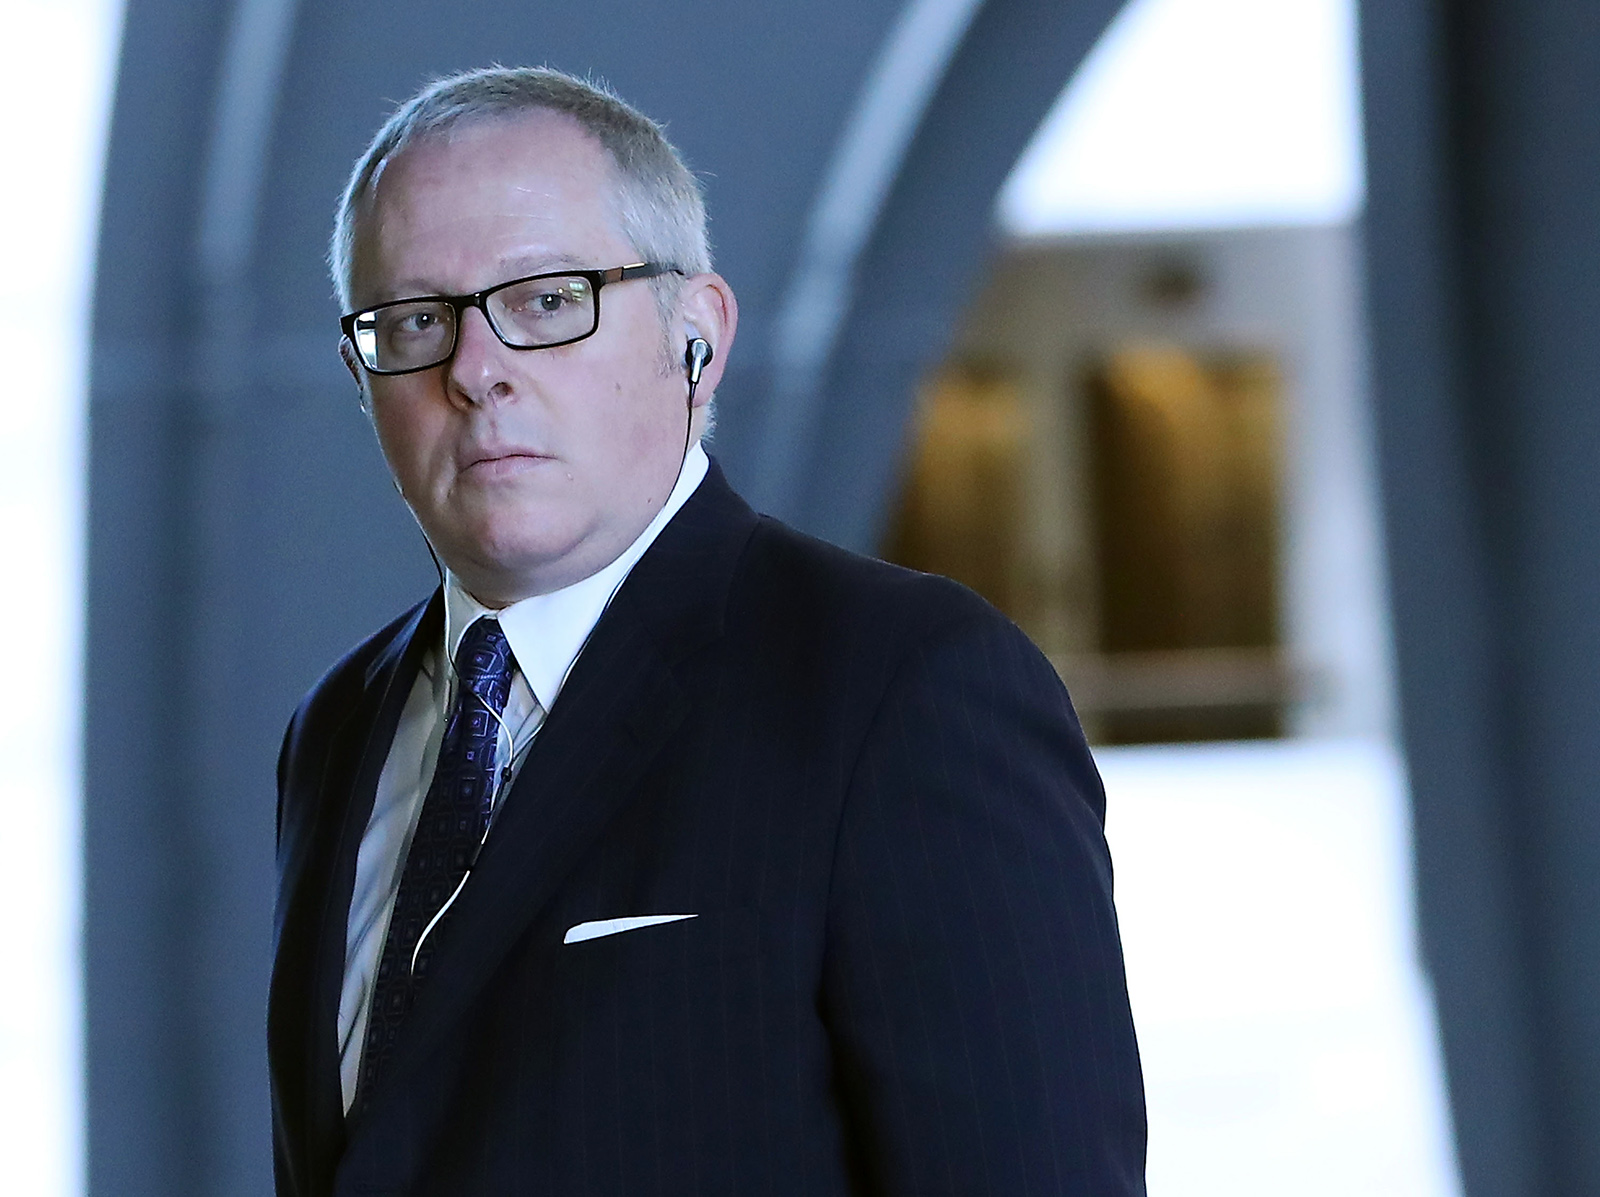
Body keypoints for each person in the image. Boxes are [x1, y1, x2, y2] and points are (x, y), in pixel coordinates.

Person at [269, 65, 1146, 1197]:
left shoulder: (903, 688)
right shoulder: (337, 729)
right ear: (361, 374)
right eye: (417, 320)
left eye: (546, 300)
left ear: (696, 336)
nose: (476, 371)